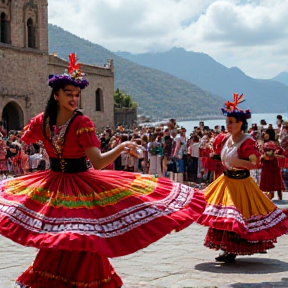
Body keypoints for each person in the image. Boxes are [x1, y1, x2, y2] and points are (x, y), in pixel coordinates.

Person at [0, 53, 205, 287]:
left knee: (69, 236)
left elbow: (88, 159)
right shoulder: (60, 122)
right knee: (73, 236)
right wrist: (122, 146)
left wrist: (120, 146)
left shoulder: (62, 122)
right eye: (68, 93)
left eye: (77, 94)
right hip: (63, 185)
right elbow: (97, 163)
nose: (74, 98)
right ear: (55, 94)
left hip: (64, 185)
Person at [196, 93, 288, 263]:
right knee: (223, 214)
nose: (228, 125)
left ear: (241, 124)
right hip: (226, 181)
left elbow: (255, 163)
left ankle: (233, 248)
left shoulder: (247, 142)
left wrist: (238, 161)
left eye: (231, 122)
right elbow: (222, 157)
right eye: (227, 122)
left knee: (237, 215)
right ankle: (226, 248)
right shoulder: (225, 139)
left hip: (241, 183)